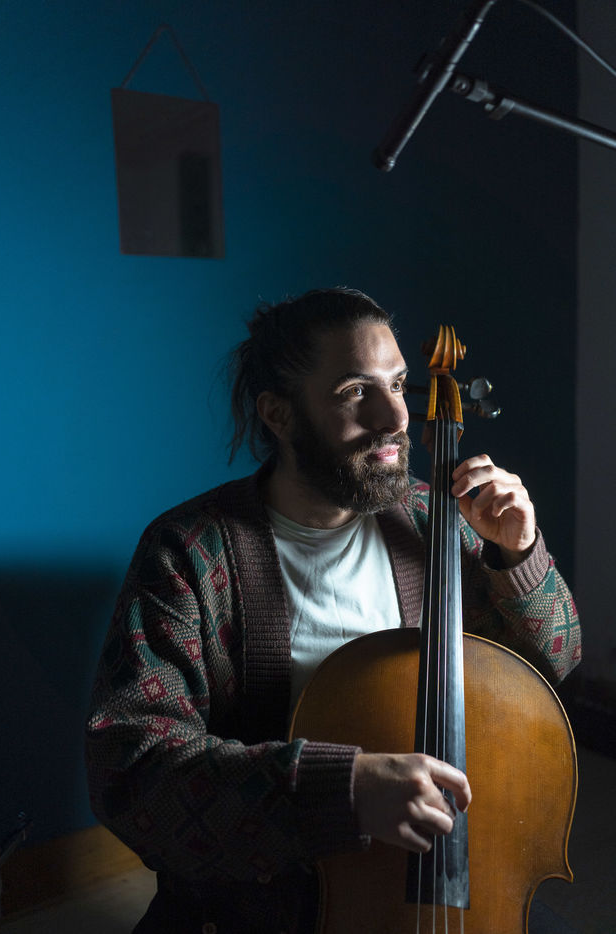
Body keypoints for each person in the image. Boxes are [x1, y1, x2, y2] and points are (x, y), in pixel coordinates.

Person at [85, 288, 581, 933]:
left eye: (397, 384)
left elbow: (552, 665)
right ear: (279, 414)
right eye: (355, 392)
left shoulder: (436, 520)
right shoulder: (188, 551)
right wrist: (339, 789)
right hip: (263, 902)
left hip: (453, 884)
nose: (395, 417)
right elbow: (130, 770)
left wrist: (518, 555)